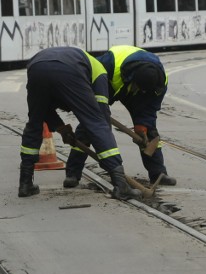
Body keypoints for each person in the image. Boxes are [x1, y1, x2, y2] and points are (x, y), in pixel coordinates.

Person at [18, 46, 141, 200]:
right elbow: (100, 119)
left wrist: (62, 128)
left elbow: (45, 111)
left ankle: (25, 183)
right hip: (69, 69)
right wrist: (110, 156)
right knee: (96, 123)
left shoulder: (84, 64)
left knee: (34, 122)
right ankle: (121, 185)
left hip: (36, 66)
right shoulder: (100, 73)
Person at [64, 45, 177, 188]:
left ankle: (158, 174)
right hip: (109, 84)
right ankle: (73, 173)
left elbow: (151, 107)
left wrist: (143, 124)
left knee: (149, 131)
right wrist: (96, 110)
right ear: (133, 80)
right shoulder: (108, 64)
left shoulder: (160, 82)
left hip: (139, 94)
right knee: (91, 125)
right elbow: (90, 78)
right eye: (139, 88)